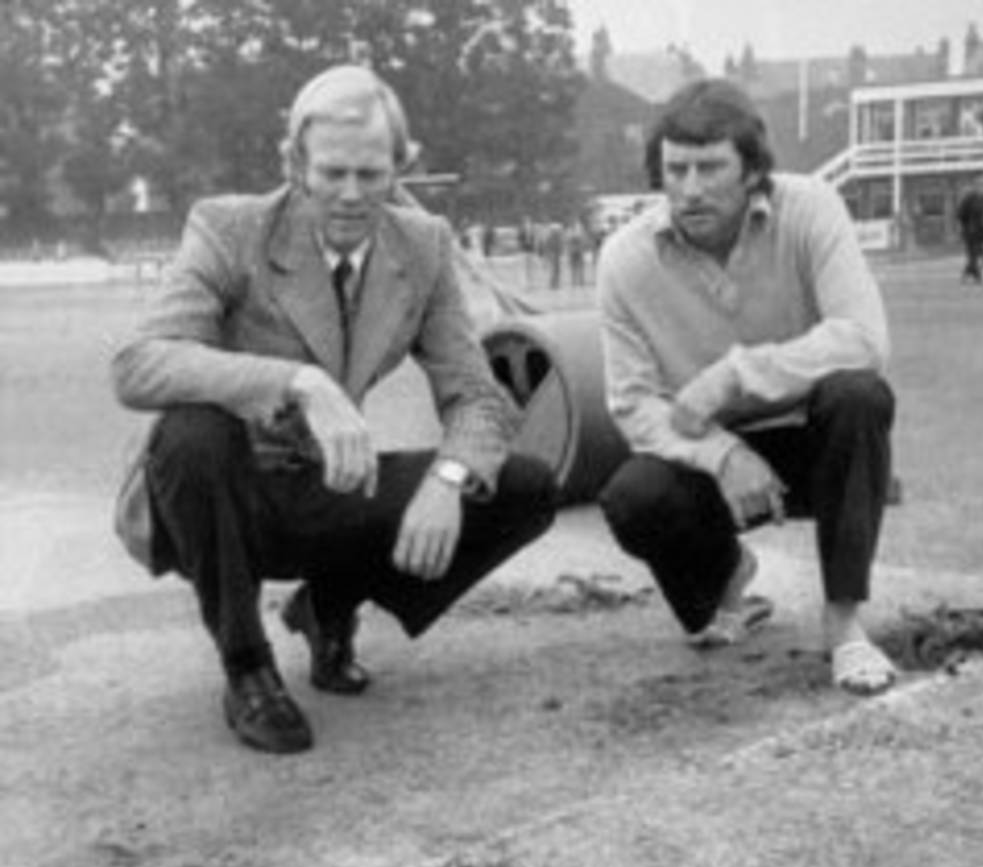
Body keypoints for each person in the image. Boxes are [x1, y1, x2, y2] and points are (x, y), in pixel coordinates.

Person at [111, 63, 557, 754]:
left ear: (400, 167)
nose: (352, 195)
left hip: (324, 486)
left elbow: (476, 396)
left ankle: (326, 606)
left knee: (521, 487)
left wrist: (448, 480)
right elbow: (137, 364)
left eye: (372, 175)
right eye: (332, 173)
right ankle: (247, 666)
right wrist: (298, 382)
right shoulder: (229, 228)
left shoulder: (424, 244)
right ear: (295, 164)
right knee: (190, 431)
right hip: (222, 499)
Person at [595, 80, 897, 696]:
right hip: (711, 460)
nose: (691, 188)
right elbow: (632, 403)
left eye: (711, 168)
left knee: (860, 395)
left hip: (814, 439)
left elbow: (864, 338)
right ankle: (732, 575)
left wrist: (735, 375)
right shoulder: (624, 259)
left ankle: (844, 626)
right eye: (676, 169)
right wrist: (723, 452)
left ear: (753, 170)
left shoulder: (810, 207)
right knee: (632, 497)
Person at [956, 177, 983, 284]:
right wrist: (965, 227)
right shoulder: (969, 198)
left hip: (980, 230)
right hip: (970, 231)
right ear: (976, 186)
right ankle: (976, 276)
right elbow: (961, 214)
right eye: (981, 184)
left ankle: (970, 275)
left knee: (976, 254)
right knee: (973, 254)